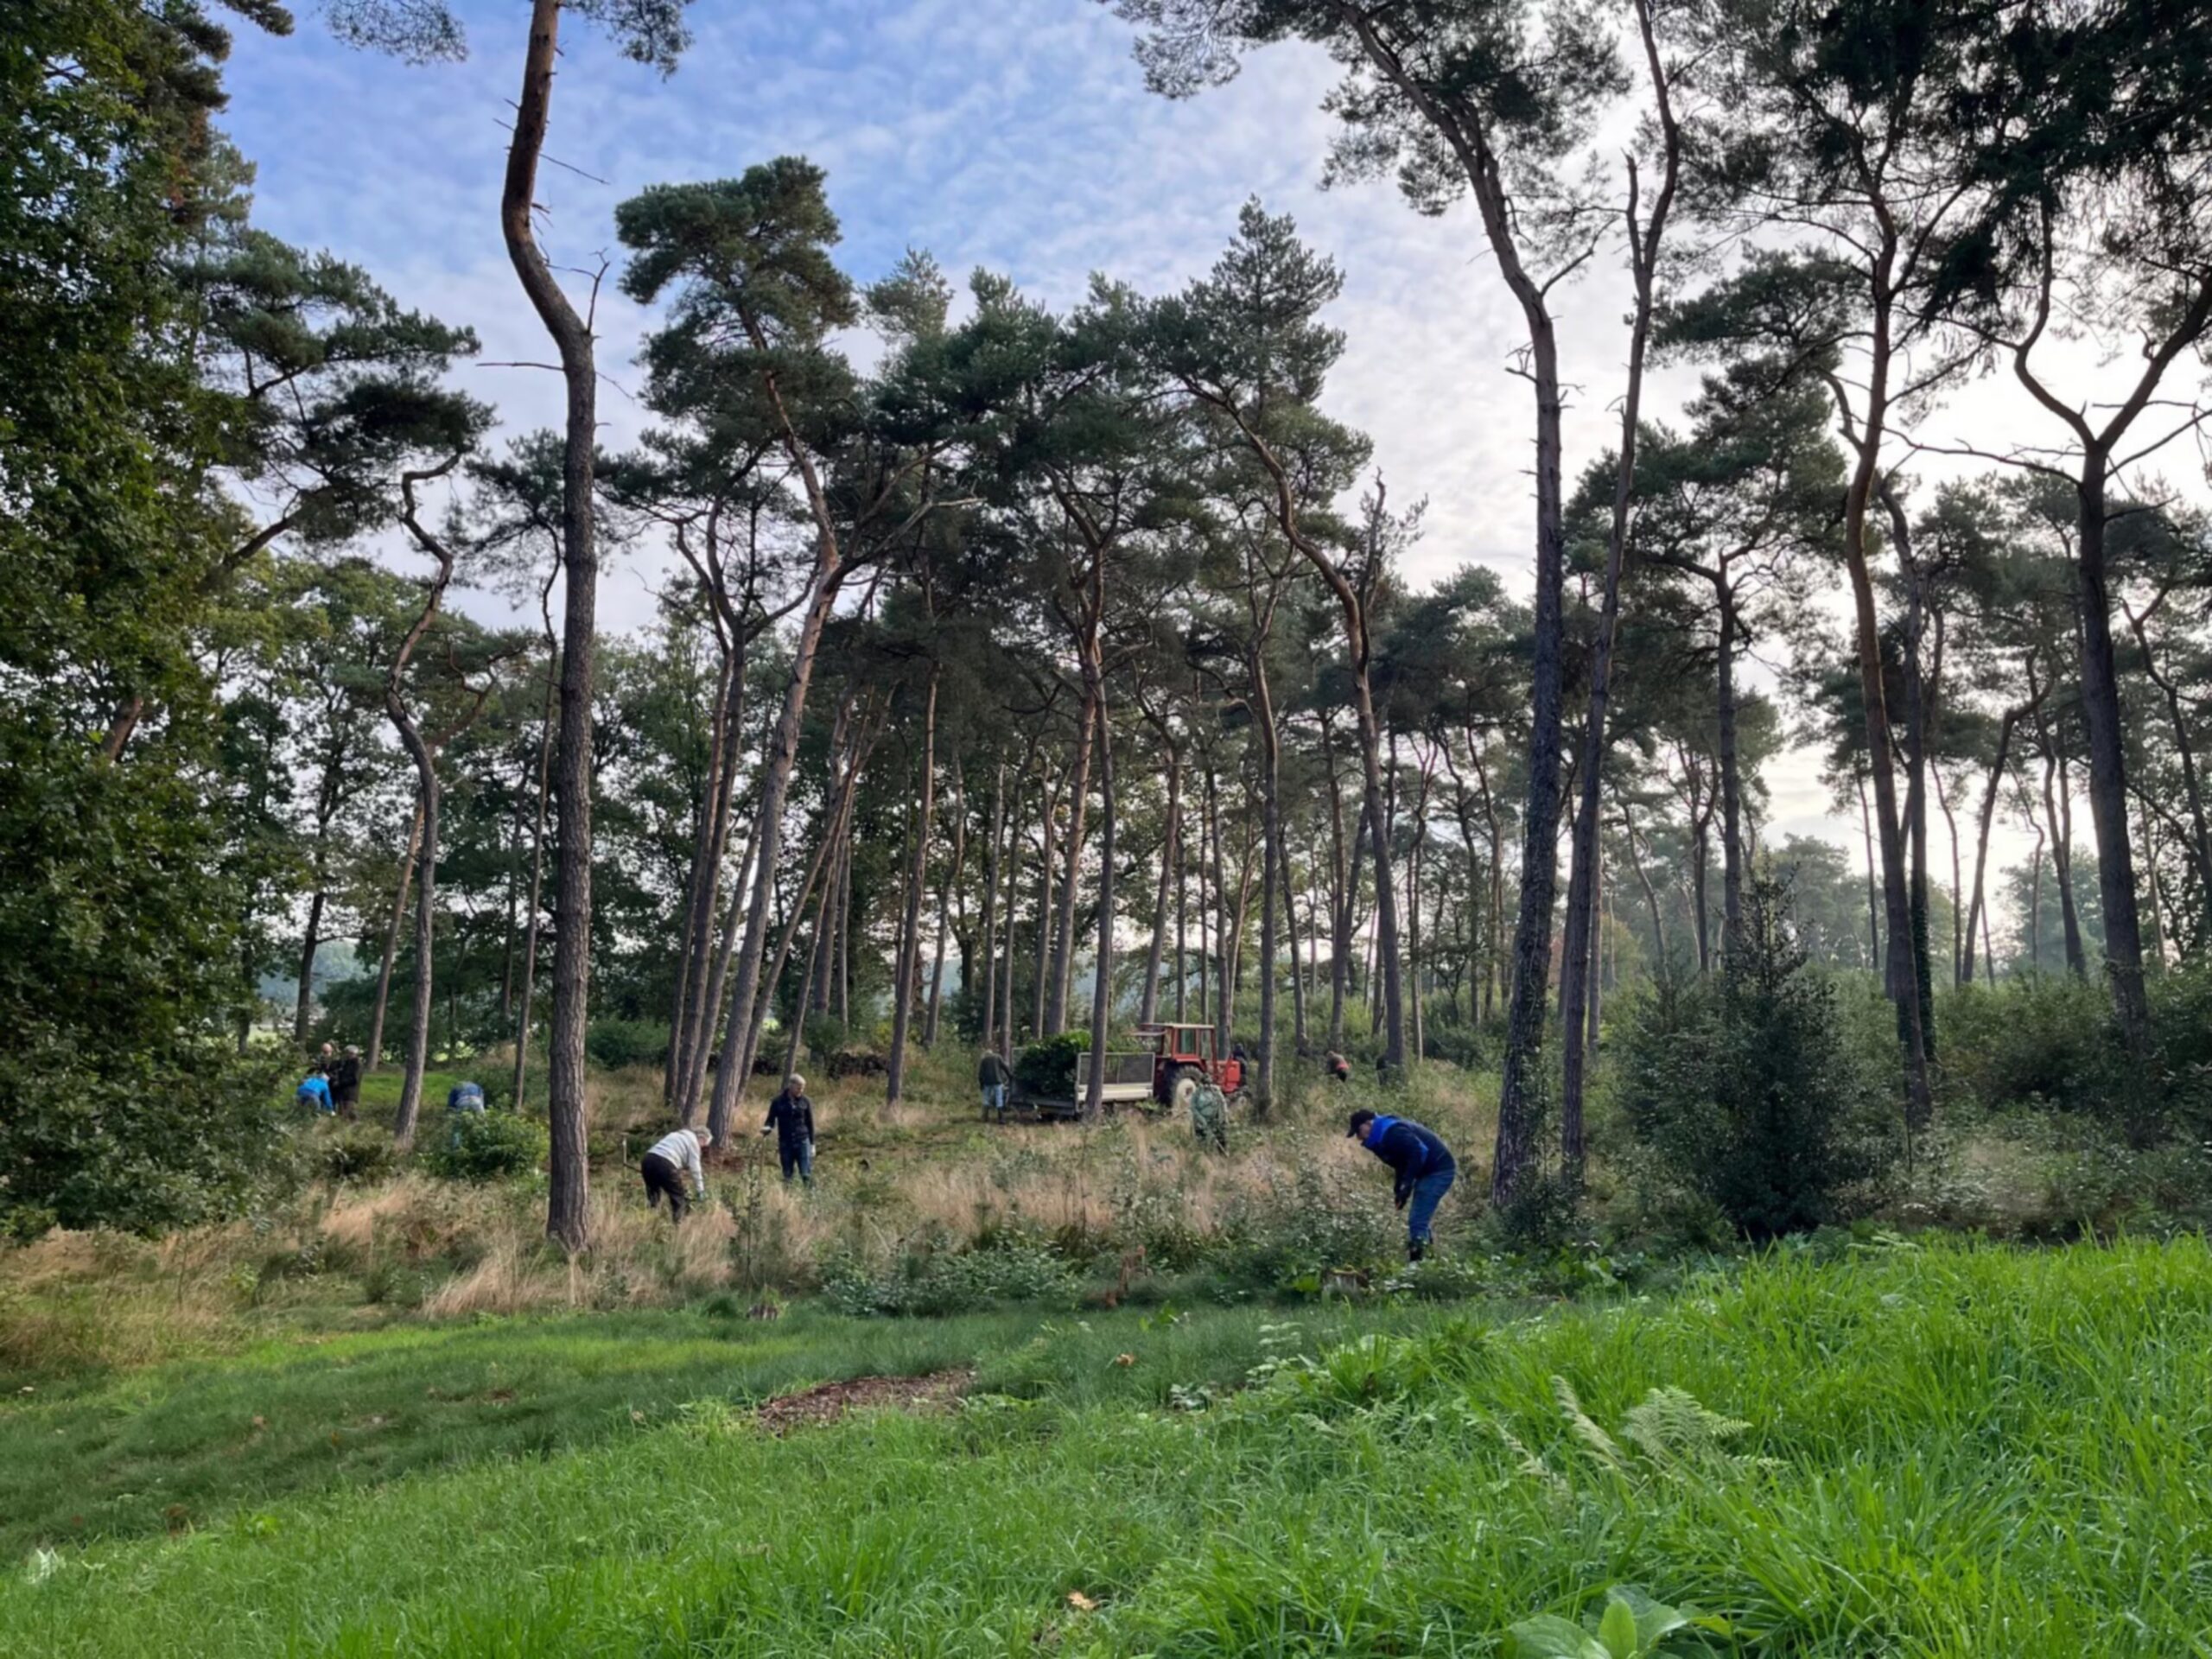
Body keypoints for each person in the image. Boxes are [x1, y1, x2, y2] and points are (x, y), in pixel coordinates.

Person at [1346, 1108, 1456, 1262]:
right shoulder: (1382, 1135)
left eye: (1358, 1131)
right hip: (1427, 1171)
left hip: (1439, 1170)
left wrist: (1407, 1184)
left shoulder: (1393, 1132)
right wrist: (1399, 1188)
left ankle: (1418, 1265)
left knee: (1417, 1220)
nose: (1359, 1138)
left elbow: (1419, 1151)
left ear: (1368, 1124)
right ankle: (1429, 1260)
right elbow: (1402, 1162)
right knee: (1420, 1219)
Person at [642, 1124, 711, 1222]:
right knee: (678, 1197)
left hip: (648, 1159)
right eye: (704, 1145)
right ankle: (678, 1224)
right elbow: (695, 1169)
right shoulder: (694, 1142)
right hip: (665, 1163)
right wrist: (700, 1190)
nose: (702, 1148)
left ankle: (649, 1220)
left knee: (653, 1195)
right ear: (702, 1138)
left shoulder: (675, 1135)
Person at [760, 1074, 816, 1185]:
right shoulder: (778, 1101)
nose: (801, 1090)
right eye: (798, 1088)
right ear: (791, 1085)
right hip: (786, 1142)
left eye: (803, 1088)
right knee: (787, 1174)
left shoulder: (806, 1101)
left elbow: (810, 1123)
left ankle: (810, 1194)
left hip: (802, 1141)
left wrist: (812, 1144)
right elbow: (770, 1120)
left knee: (806, 1173)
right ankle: (787, 1194)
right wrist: (767, 1128)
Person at [328, 1046, 362, 1121]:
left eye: (348, 1053)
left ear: (353, 1053)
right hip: (342, 1093)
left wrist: (340, 1082)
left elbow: (354, 1079)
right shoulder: (346, 1063)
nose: (346, 1055)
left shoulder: (357, 1065)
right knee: (343, 1113)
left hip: (350, 1093)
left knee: (345, 1114)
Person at [977, 1048, 1013, 1121]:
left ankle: (985, 1117)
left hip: (987, 1082)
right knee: (999, 1098)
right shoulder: (998, 1057)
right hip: (997, 1081)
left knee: (986, 1098)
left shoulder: (984, 1060)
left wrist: (981, 1084)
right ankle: (1001, 1118)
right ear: (992, 1053)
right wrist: (1010, 1076)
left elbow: (980, 1074)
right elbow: (1005, 1067)